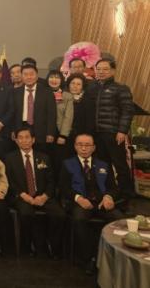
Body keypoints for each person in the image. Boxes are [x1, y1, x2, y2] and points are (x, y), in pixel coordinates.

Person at [60, 134, 123, 275]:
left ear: (93, 147)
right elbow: (63, 188)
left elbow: (114, 188)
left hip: (101, 203)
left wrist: (108, 197)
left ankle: (116, 257)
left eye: (87, 145)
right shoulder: (67, 164)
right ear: (75, 146)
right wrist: (78, 198)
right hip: (80, 203)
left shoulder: (104, 164)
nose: (83, 148)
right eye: (80, 144)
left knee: (118, 219)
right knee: (79, 219)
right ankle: (88, 258)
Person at [4, 127, 65, 258]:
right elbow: (9, 181)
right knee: (26, 213)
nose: (24, 140)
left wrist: (45, 196)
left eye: (27, 137)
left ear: (33, 140)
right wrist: (23, 195)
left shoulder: (44, 157)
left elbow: (51, 181)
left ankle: (53, 246)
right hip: (21, 196)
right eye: (20, 138)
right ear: (16, 140)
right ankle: (29, 245)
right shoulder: (9, 158)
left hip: (42, 196)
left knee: (59, 214)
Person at [88, 59, 135, 199]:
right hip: (96, 134)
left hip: (113, 133)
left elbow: (128, 111)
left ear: (113, 71)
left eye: (105, 69)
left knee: (120, 164)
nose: (101, 72)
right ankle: (109, 192)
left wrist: (122, 131)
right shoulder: (92, 88)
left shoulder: (121, 88)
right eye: (98, 69)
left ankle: (127, 194)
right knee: (102, 165)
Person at [13, 64, 57, 154]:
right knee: (22, 155)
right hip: (21, 127)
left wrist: (50, 133)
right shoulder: (15, 92)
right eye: (25, 74)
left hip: (41, 130)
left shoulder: (47, 92)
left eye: (31, 74)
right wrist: (13, 130)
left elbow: (52, 114)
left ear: (37, 76)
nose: (29, 77)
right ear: (22, 76)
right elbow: (13, 113)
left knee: (41, 155)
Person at [47, 70, 74, 173]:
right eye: (51, 77)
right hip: (44, 132)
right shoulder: (41, 93)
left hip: (59, 132)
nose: (54, 80)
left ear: (61, 80)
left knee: (58, 161)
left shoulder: (67, 96)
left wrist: (63, 135)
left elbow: (68, 117)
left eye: (57, 77)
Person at [66, 74, 94, 149]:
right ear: (69, 85)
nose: (75, 86)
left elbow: (90, 123)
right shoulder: (62, 98)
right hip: (62, 137)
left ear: (82, 87)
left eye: (78, 84)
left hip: (80, 138)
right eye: (73, 83)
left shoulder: (88, 101)